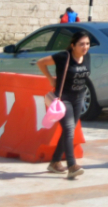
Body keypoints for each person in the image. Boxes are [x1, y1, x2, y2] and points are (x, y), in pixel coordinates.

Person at [36, 29, 91, 180]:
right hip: (63, 99)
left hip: (79, 98)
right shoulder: (63, 56)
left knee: (68, 130)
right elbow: (40, 63)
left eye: (87, 44)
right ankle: (72, 166)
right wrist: (50, 79)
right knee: (68, 129)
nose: (85, 47)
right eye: (81, 44)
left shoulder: (87, 57)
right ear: (73, 45)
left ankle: (54, 162)